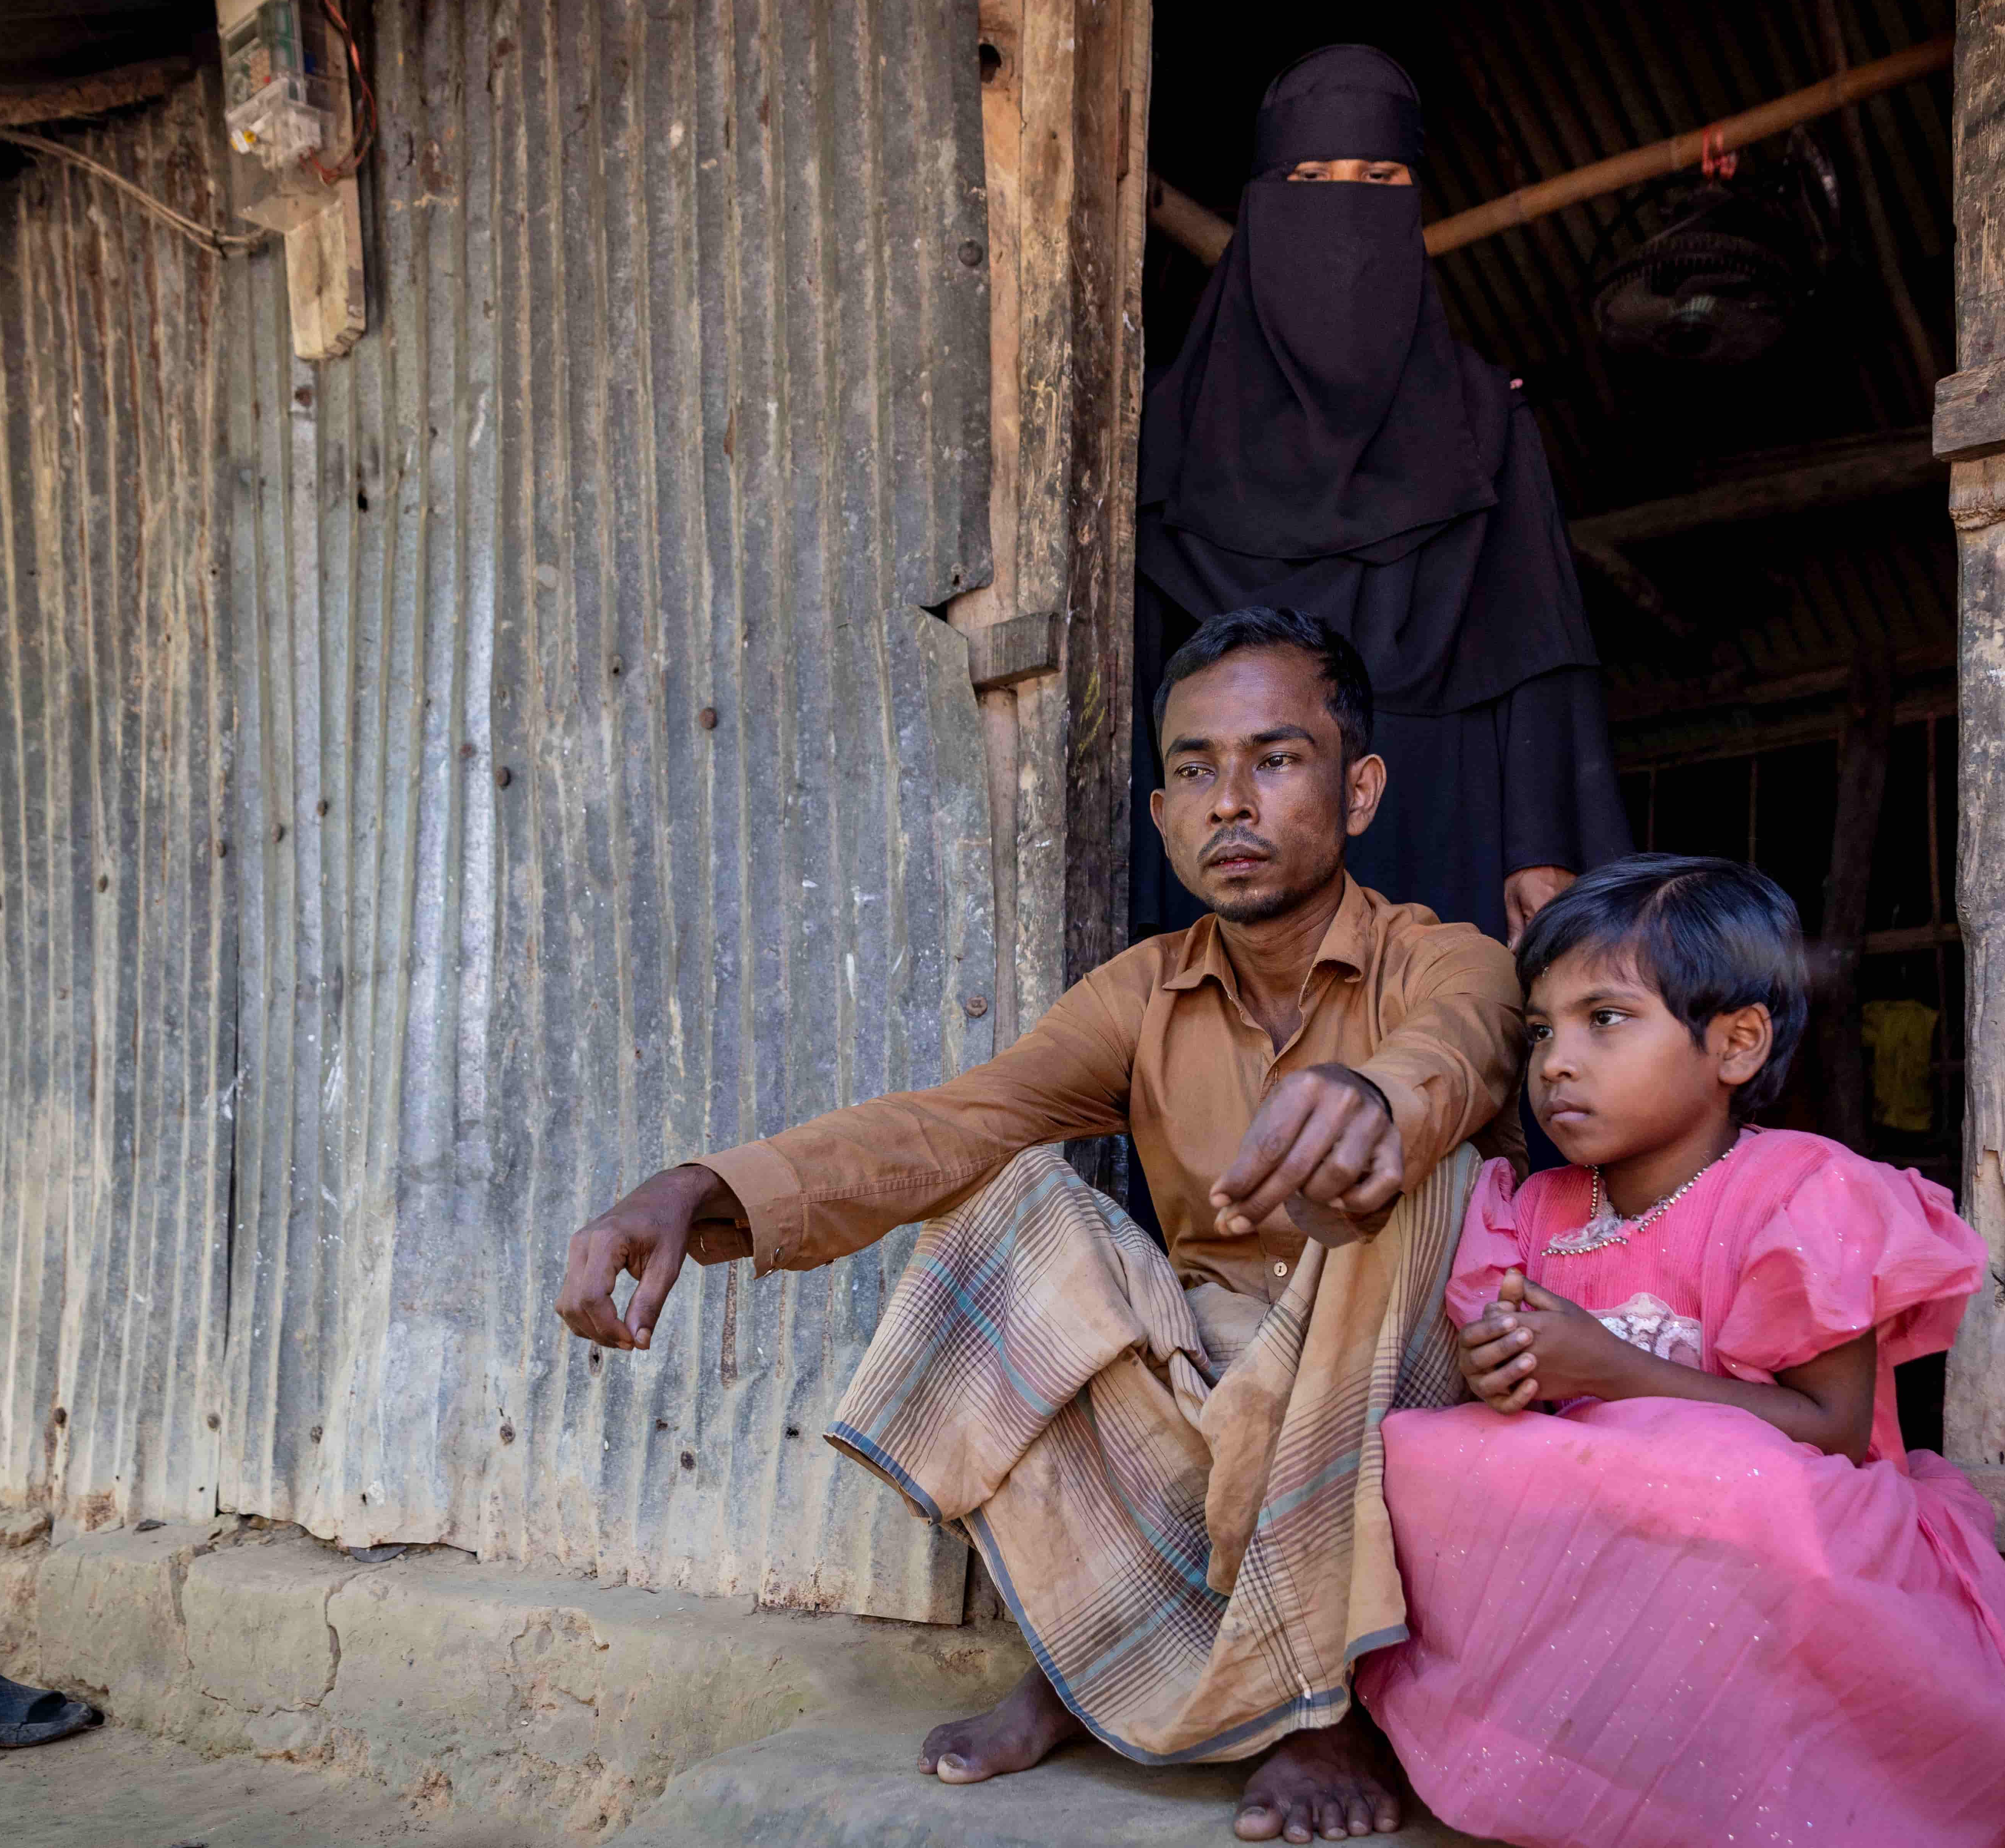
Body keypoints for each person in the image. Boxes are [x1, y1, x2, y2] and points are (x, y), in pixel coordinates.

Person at [556, 608, 1524, 1844]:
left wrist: (1376, 1102)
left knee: (1420, 1187)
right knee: (1005, 1200)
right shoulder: (1143, 993)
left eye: (1277, 760)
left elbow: (1462, 1044)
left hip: (1391, 1386)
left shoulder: (1448, 962)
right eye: (1195, 772)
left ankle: (1320, 1704)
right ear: (1163, 814)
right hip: (1212, 1394)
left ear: (1361, 790)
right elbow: (956, 1123)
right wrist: (699, 1188)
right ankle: (1091, 1655)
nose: (1231, 802)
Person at [1355, 854, 2005, 1848]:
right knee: (1429, 1455)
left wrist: (1614, 1371)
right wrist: (1503, 1370)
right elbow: (1523, 1403)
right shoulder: (1531, 1208)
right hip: (1618, 1573)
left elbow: (1836, 1435)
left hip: (1794, 1547)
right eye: (1542, 1030)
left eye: (1606, 1019)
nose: (1556, 1062)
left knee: (1729, 1481)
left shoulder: (1802, 1192)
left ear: (1735, 1044)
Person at [1133, 43, 1627, 948]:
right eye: (1310, 177)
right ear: (1260, 203)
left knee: (1433, 1030)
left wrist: (1543, 843)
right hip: (1230, 824)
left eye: (1378, 178)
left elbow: (1537, 640)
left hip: (1446, 809)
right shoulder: (1167, 424)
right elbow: (1134, 671)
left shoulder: (1484, 417)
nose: (1343, 207)